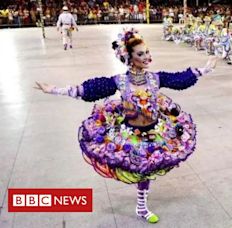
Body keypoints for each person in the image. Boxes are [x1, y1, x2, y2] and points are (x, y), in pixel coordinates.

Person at [34, 28, 218, 224]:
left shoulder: (155, 78)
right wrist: (54, 90)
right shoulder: (119, 81)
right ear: (129, 58)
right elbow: (87, 90)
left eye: (147, 52)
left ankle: (141, 206)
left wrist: (206, 68)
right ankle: (142, 206)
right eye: (141, 54)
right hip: (130, 134)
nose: (147, 57)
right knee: (139, 169)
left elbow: (179, 79)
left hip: (156, 132)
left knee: (147, 169)